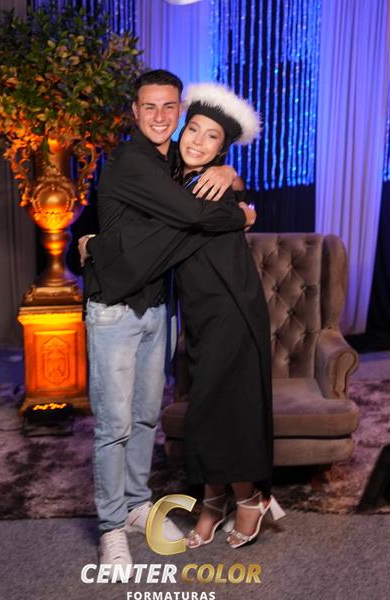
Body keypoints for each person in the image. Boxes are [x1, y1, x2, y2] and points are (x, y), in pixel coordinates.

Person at [83, 81, 285, 551]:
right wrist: (95, 243)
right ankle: (216, 500)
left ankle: (244, 498)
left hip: (231, 308)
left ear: (222, 147)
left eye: (211, 136)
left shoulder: (212, 185)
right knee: (206, 409)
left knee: (222, 407)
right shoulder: (164, 170)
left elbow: (193, 221)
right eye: (193, 129)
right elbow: (162, 227)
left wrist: (238, 197)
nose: (196, 140)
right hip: (195, 313)